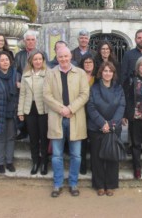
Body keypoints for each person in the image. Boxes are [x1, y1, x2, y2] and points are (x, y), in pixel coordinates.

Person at [43, 47, 89, 198]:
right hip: (57, 117)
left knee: (76, 155)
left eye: (66, 56)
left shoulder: (80, 73)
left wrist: (70, 109)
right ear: (57, 57)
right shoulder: (50, 73)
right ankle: (57, 184)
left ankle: (73, 183)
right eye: (60, 56)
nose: (63, 59)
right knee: (57, 155)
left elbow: (84, 94)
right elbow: (46, 95)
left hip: (75, 117)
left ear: (71, 56)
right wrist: (61, 109)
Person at [86, 62, 125, 196]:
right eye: (105, 71)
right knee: (97, 157)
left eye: (110, 71)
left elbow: (121, 106)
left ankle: (111, 184)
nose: (107, 73)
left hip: (114, 128)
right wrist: (102, 123)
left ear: (113, 74)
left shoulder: (119, 89)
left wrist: (112, 123)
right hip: (96, 128)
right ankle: (99, 185)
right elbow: (90, 107)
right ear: (100, 73)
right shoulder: (94, 88)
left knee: (112, 156)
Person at [18, 50, 49, 175]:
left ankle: (45, 162)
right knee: (33, 137)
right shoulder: (25, 75)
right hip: (29, 109)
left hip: (44, 109)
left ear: (43, 60)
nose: (37, 61)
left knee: (44, 137)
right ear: (31, 61)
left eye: (40, 59)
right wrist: (20, 111)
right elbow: (22, 94)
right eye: (35, 59)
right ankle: (35, 161)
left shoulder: (48, 74)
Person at [15, 30, 47, 140]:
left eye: (32, 40)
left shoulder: (42, 54)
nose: (30, 42)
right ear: (24, 41)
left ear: (36, 41)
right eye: (28, 40)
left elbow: (46, 68)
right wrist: (18, 81)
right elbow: (16, 70)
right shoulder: (19, 55)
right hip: (24, 85)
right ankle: (23, 131)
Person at [78, 53, 96, 175]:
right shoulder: (78, 77)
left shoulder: (98, 77)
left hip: (95, 112)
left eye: (90, 62)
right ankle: (82, 164)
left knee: (94, 140)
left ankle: (94, 166)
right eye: (86, 62)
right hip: (81, 111)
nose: (88, 64)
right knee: (82, 140)